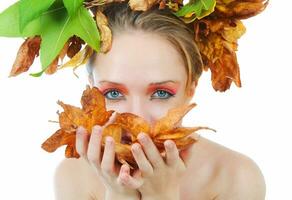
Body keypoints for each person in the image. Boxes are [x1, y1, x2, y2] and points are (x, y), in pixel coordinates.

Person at [54, 2, 266, 200]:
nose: (136, 120)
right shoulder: (73, 176)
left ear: (191, 87)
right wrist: (120, 195)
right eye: (113, 93)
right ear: (91, 88)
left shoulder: (236, 178)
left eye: (161, 93)